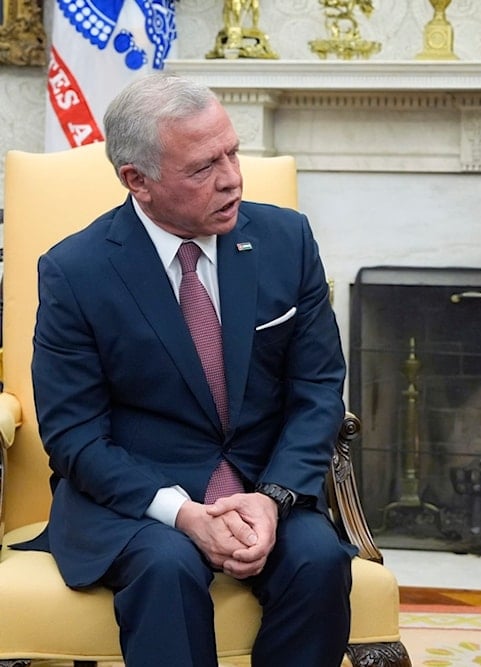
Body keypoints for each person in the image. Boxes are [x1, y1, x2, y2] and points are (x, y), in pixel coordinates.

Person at [23, 72, 355, 666]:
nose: (231, 177)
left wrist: (273, 498)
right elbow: (73, 436)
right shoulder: (76, 272)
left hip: (262, 482)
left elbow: (318, 389)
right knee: (167, 567)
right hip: (139, 500)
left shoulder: (286, 239)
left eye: (231, 151)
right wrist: (182, 513)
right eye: (203, 168)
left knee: (319, 560)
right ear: (138, 181)